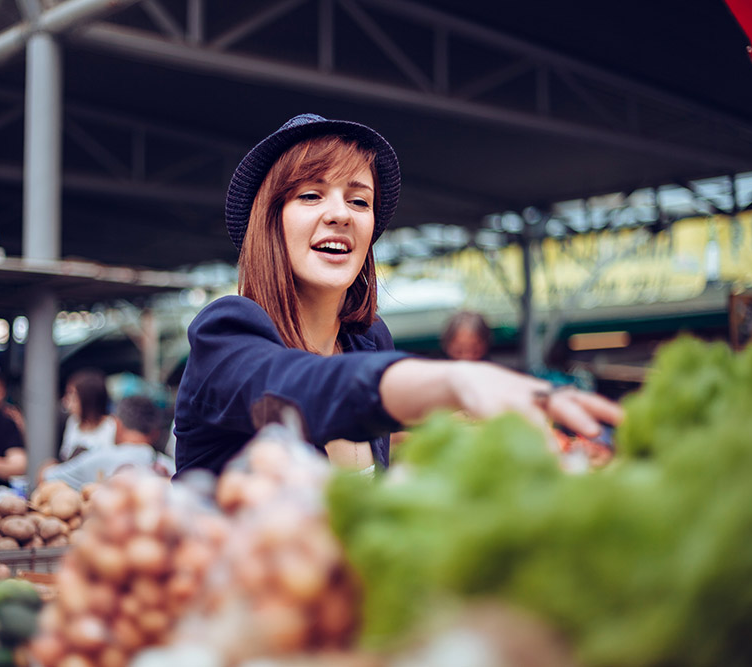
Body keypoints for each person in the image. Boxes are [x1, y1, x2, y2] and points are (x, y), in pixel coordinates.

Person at [174, 113, 621, 477]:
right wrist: (455, 382)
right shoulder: (226, 333)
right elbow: (300, 387)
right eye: (311, 195)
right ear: (269, 223)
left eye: (359, 201)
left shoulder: (369, 340)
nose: (340, 214)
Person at [40, 395, 173, 489]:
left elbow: (46, 478)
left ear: (117, 424)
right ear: (156, 433)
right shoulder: (172, 467)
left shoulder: (97, 458)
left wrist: (48, 465)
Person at [59, 369, 116, 461]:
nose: (66, 401)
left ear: (88, 398)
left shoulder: (111, 426)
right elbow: (65, 456)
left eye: (72, 395)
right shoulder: (73, 422)